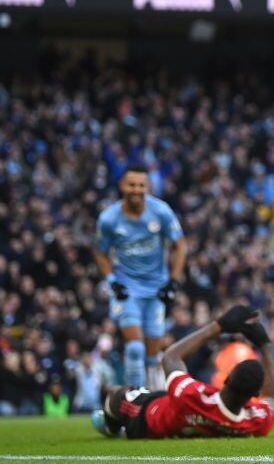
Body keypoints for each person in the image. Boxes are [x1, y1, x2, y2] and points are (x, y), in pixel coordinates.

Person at [91, 305, 274, 438]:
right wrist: (266, 347)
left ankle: (111, 426)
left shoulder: (192, 396)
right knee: (167, 396)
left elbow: (171, 357)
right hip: (175, 409)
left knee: (117, 394)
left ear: (227, 378)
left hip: (146, 417)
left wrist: (220, 326)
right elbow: (272, 401)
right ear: (255, 395)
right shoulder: (255, 421)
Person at [94, 164, 187, 390]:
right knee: (135, 349)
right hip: (127, 288)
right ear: (122, 186)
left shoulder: (161, 212)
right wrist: (112, 281)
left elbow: (180, 245)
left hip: (156, 288)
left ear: (148, 187)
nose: (136, 190)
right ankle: (135, 399)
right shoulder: (109, 219)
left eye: (141, 185)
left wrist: (173, 281)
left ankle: (153, 396)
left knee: (153, 356)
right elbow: (100, 251)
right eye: (132, 185)